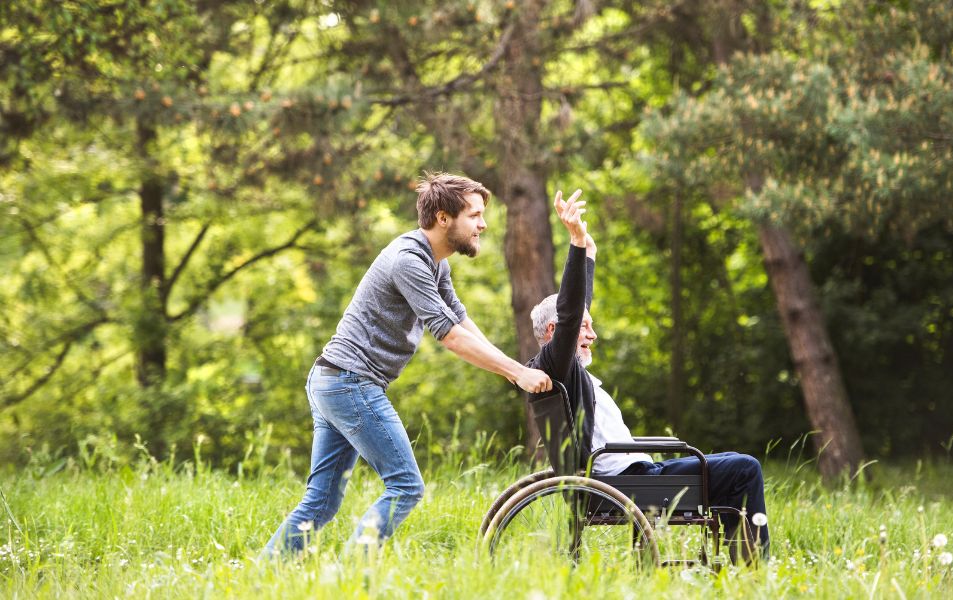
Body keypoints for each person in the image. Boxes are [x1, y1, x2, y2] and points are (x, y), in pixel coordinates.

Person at [263, 172, 552, 557]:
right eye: (475, 215)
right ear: (444, 218)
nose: (483, 224)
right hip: (350, 382)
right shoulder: (408, 261)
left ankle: (266, 572)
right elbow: (448, 335)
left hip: (332, 380)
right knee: (405, 486)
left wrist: (516, 369)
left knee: (322, 501)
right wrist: (518, 374)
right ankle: (350, 579)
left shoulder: (436, 263)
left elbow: (462, 321)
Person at [527, 189, 769, 558]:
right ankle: (752, 569)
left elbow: (577, 306)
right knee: (743, 470)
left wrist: (588, 252)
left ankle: (740, 562)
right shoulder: (557, 366)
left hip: (630, 479)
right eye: (584, 327)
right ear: (553, 332)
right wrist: (576, 244)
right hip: (627, 486)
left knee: (732, 465)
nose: (593, 334)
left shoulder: (565, 372)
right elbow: (572, 309)